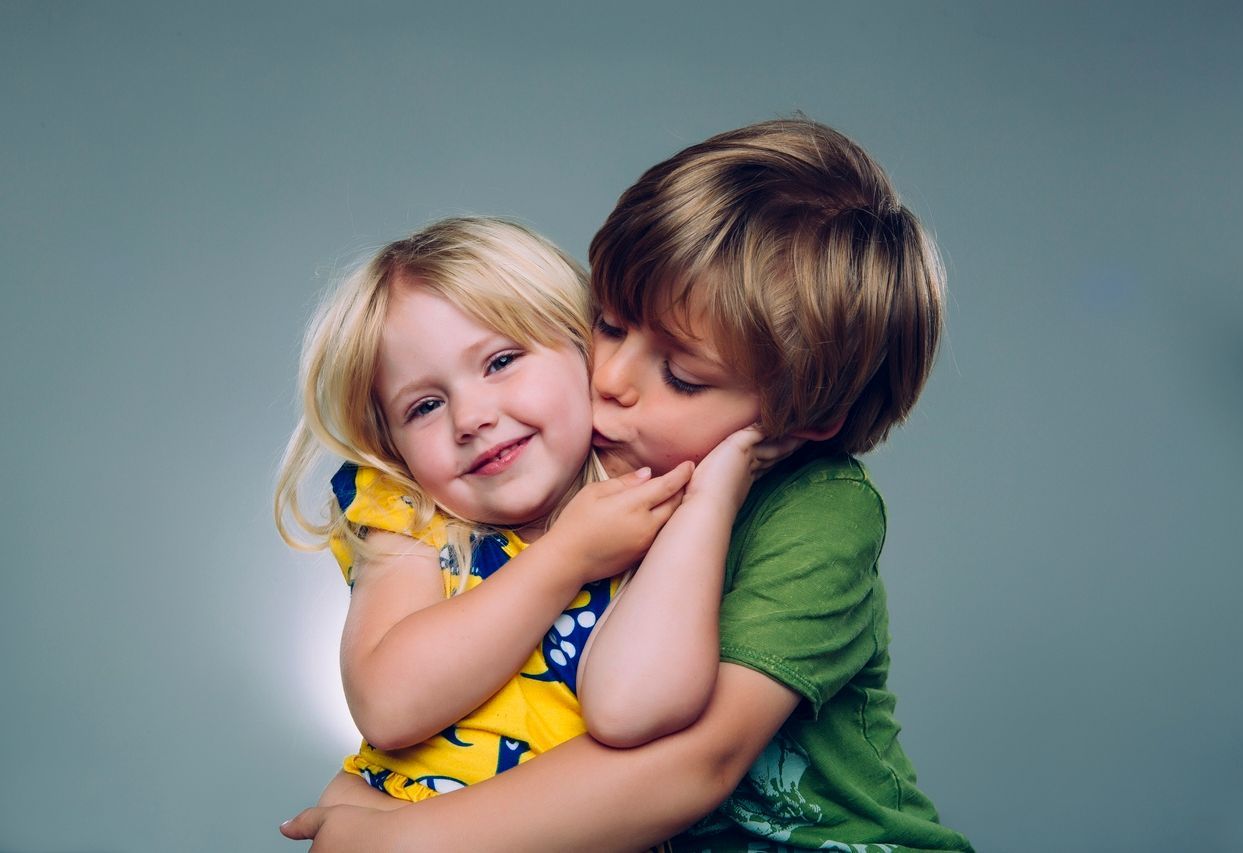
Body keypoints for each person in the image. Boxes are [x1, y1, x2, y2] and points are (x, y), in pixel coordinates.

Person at [281, 118, 973, 851]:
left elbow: (686, 758)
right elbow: (403, 708)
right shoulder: (563, 483)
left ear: (800, 419)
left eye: (680, 375)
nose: (608, 380)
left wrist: (407, 838)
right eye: (606, 326)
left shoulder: (816, 509)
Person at [274, 217, 779, 810]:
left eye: (500, 362)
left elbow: (642, 708)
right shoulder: (410, 517)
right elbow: (388, 707)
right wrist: (567, 557)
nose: (471, 417)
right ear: (394, 445)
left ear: (584, 348)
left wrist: (711, 500)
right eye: (425, 406)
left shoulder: (656, 503)